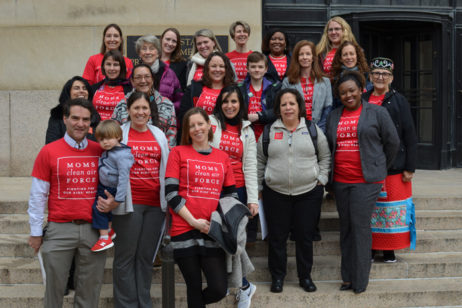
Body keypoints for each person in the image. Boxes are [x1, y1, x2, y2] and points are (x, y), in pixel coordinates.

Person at [326, 71, 400, 293]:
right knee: (346, 228)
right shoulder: (334, 116)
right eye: (343, 93)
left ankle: (360, 281)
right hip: (340, 181)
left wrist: (378, 168)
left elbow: (393, 143)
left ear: (361, 90)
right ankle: (347, 277)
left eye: (352, 91)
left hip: (366, 181)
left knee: (359, 226)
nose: (348, 95)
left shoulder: (377, 113)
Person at [28, 98, 106, 307]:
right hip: (59, 229)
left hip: (93, 230)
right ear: (65, 119)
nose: (80, 123)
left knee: (89, 292)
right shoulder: (49, 151)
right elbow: (37, 195)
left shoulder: (99, 151)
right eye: (75, 118)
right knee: (54, 291)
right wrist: (35, 232)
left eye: (85, 119)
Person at [98, 91, 169, 307]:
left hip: (155, 205)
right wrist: (110, 198)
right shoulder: (120, 134)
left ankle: (143, 302)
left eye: (144, 108)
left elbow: (165, 166)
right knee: (125, 257)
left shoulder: (159, 134)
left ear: (150, 112)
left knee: (146, 257)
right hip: (129, 204)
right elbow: (107, 167)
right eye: (136, 108)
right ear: (128, 110)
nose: (140, 112)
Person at [257, 88, 331, 294]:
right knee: (277, 238)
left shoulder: (313, 129)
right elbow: (259, 161)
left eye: (292, 103)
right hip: (275, 192)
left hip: (308, 193)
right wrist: (260, 188)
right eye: (284, 104)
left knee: (305, 237)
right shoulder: (269, 131)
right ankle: (278, 277)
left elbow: (325, 157)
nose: (288, 107)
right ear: (278, 109)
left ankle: (305, 277)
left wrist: (322, 179)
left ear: (299, 107)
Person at [165, 107, 237, 307]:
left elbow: (231, 196)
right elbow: (171, 194)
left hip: (212, 231)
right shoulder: (177, 153)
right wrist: (194, 222)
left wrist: (219, 223)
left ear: (209, 125)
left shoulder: (222, 157)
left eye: (200, 123)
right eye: (191, 126)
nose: (197, 128)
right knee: (193, 287)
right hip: (184, 228)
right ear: (187, 131)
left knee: (218, 288)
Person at [363, 57, 417, 262]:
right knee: (370, 209)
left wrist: (410, 166)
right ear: (370, 76)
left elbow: (410, 134)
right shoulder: (364, 98)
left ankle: (389, 250)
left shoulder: (399, 101)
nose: (380, 77)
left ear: (391, 78)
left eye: (385, 74)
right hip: (368, 164)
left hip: (395, 166)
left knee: (390, 211)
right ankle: (370, 248)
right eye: (376, 73)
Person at [210, 86, 258, 307]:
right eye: (226, 101)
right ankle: (241, 284)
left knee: (235, 241)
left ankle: (244, 287)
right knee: (218, 239)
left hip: (237, 192)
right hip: (212, 190)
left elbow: (250, 166)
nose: (230, 106)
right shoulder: (211, 124)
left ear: (241, 104)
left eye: (234, 102)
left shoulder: (246, 130)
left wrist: (253, 199)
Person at [90, 120, 134, 252]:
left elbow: (123, 178)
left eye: (109, 138)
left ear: (118, 137)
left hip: (111, 188)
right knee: (105, 210)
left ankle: (104, 238)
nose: (105, 142)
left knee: (98, 208)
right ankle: (109, 230)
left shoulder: (122, 155)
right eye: (101, 139)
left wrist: (118, 199)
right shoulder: (112, 150)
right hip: (105, 185)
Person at [112, 63, 177, 148]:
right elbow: (113, 134)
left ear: (152, 79)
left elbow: (171, 137)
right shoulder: (122, 104)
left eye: (147, 76)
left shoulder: (167, 105)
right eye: (138, 77)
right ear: (132, 81)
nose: (143, 81)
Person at [282, 40, 332, 132]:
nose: (305, 57)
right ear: (297, 57)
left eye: (308, 54)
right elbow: (284, 108)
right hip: (294, 129)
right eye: (301, 54)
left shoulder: (325, 81)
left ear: (313, 57)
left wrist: (318, 130)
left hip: (319, 128)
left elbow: (327, 109)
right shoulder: (287, 82)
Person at [179, 51, 235, 131]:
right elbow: (184, 116)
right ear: (207, 68)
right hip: (197, 135)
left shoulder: (234, 90)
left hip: (224, 136)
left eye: (222, 66)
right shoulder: (193, 88)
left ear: (226, 69)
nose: (218, 69)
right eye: (213, 66)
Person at [238, 51, 281, 142]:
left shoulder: (275, 88)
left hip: (269, 134)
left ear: (266, 69)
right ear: (247, 69)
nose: (257, 70)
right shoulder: (239, 89)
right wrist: (245, 116)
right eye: (253, 66)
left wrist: (259, 116)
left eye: (260, 67)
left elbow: (278, 111)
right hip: (245, 134)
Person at [135, 35, 183, 111]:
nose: (148, 52)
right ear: (139, 54)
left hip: (165, 118)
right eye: (144, 49)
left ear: (158, 53)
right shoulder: (134, 74)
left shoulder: (169, 73)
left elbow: (179, 100)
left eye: (151, 49)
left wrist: (167, 109)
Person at [46, 76, 99, 144]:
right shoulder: (58, 114)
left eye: (85, 88)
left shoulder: (94, 114)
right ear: (68, 92)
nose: (81, 91)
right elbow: (51, 143)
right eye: (76, 88)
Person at [91, 50, 132, 121]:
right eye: (108, 64)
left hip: (120, 130)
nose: (112, 68)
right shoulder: (94, 88)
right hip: (96, 130)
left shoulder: (130, 89)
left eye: (116, 65)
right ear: (103, 66)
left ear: (121, 67)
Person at [331, 41, 371, 109]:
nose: (349, 57)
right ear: (340, 58)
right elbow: (334, 107)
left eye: (352, 54)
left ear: (357, 56)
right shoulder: (336, 81)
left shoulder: (368, 77)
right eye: (345, 55)